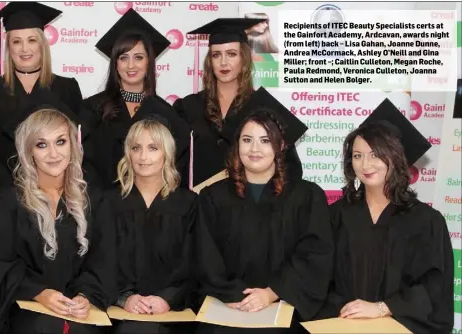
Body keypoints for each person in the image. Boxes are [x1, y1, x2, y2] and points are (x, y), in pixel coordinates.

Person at [195, 88, 332, 334]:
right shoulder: (213, 197)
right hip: (227, 307)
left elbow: (314, 255)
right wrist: (236, 295)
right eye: (247, 140)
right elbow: (205, 256)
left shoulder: (307, 197)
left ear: (280, 147)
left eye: (265, 140)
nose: (254, 148)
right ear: (237, 145)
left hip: (283, 307)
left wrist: (271, 292)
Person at [316, 99, 454, 334]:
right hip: (344, 326)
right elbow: (319, 278)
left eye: (375, 154)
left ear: (396, 158)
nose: (365, 164)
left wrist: (383, 308)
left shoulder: (426, 221)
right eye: (357, 155)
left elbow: (434, 288)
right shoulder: (336, 215)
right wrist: (346, 311)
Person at [0, 108, 116, 333]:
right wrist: (40, 293)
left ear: (73, 145)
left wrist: (85, 296)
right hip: (26, 306)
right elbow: (0, 262)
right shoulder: (10, 200)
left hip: (79, 310)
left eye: (60, 141)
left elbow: (103, 261)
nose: (53, 153)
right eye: (42, 145)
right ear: (29, 152)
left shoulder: (94, 199)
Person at [174, 18, 303, 189]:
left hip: (249, 208)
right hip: (200, 208)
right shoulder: (188, 107)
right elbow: (174, 164)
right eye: (216, 55)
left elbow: (290, 168)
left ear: (244, 58)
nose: (223, 62)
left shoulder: (264, 107)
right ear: (209, 61)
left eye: (231, 54)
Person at [0, 2, 83, 196]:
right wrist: (8, 185)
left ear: (42, 44)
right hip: (3, 193)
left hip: (55, 193)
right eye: (16, 41)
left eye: (31, 40)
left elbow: (75, 146)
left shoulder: (66, 88)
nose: (24, 49)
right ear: (8, 47)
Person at [107, 114, 196, 334]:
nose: (143, 156)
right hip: (119, 312)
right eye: (136, 148)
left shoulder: (189, 205)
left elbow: (196, 264)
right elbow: (100, 261)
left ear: (167, 153)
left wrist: (168, 299)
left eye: (153, 148)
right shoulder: (109, 203)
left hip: (173, 313)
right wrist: (124, 298)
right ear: (128, 153)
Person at [81, 9, 189, 189]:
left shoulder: (166, 113)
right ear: (115, 64)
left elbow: (174, 169)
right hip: (102, 206)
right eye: (124, 58)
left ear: (149, 62)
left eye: (138, 57)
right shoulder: (92, 109)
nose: (131, 65)